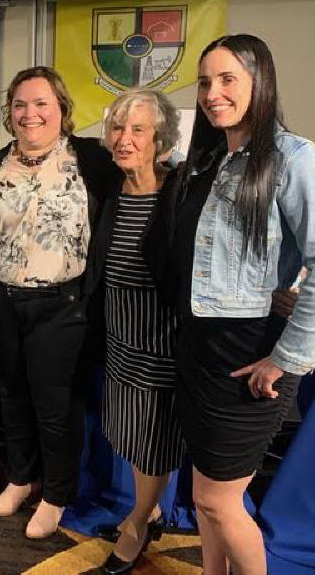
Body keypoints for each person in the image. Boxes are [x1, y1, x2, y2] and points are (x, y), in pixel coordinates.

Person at [152, 34, 315, 575]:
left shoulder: (293, 158)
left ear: (260, 82)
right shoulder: (210, 160)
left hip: (249, 359)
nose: (213, 93)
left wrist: (286, 360)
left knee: (219, 501)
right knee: (205, 496)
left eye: (227, 79)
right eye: (205, 82)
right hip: (198, 351)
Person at [0, 66, 121, 538]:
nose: (30, 113)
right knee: (13, 397)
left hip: (65, 306)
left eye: (41, 103)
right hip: (6, 301)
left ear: (62, 109)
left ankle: (57, 494)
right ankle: (22, 479)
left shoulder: (92, 160)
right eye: (20, 104)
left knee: (56, 407)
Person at [92, 89, 183, 573]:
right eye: (117, 128)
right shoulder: (111, 189)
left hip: (162, 342)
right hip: (120, 337)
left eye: (138, 130)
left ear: (160, 140)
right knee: (130, 434)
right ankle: (148, 509)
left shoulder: (180, 193)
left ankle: (137, 526)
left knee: (153, 442)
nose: (124, 139)